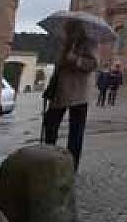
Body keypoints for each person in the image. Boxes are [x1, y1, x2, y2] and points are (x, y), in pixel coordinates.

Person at [42, 21, 97, 170]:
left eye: (70, 28)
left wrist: (76, 60)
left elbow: (93, 64)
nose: (67, 30)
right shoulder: (64, 43)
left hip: (79, 93)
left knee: (76, 132)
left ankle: (72, 165)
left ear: (78, 29)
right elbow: (58, 67)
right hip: (60, 91)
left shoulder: (89, 43)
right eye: (67, 28)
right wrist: (50, 87)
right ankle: (49, 157)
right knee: (50, 123)